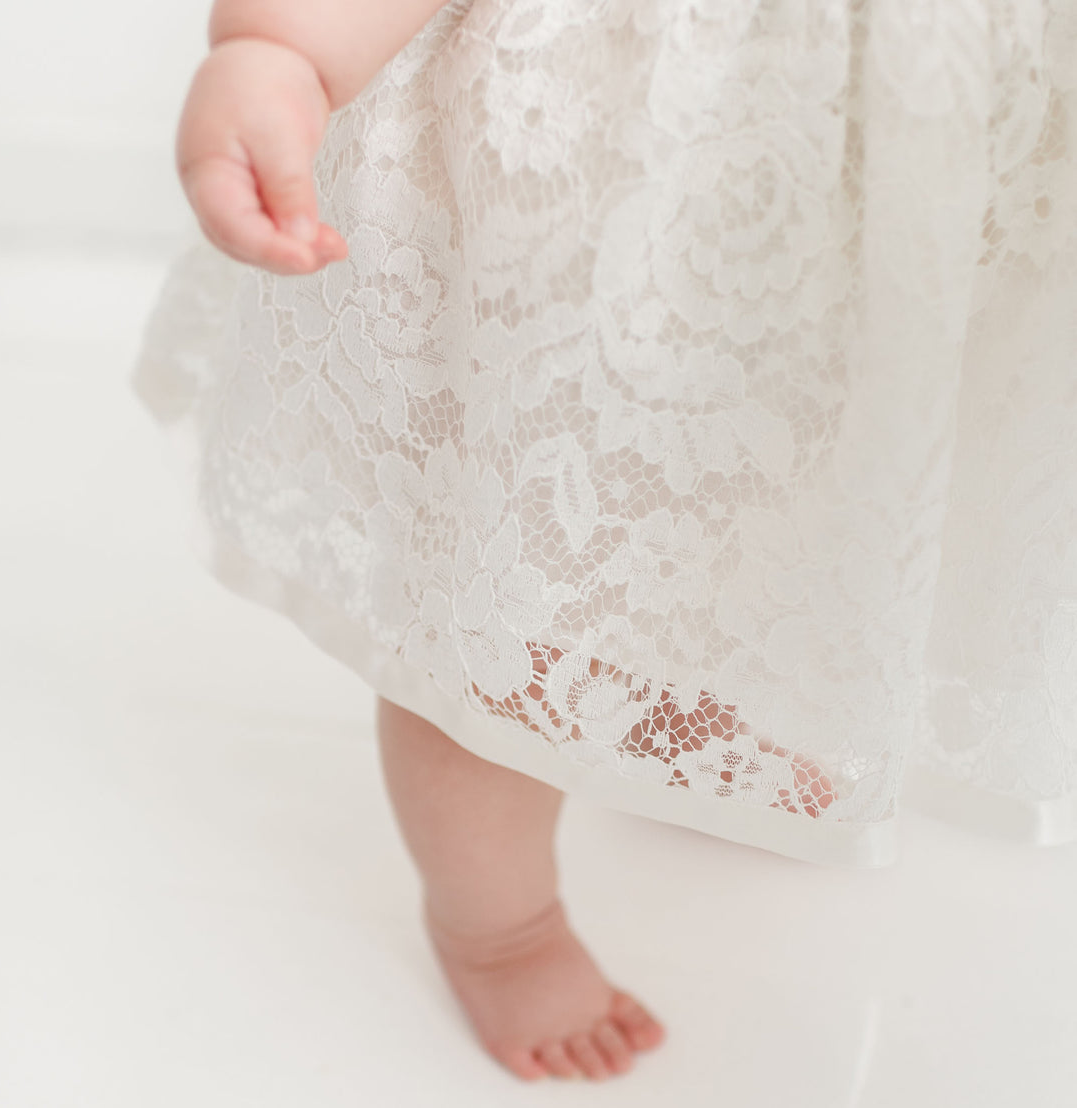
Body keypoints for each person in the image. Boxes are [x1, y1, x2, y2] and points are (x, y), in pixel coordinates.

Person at [132, 0, 1077, 1084]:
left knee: (785, 521)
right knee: (511, 609)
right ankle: (499, 923)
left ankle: (707, 718)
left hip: (896, 202)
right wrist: (282, 46)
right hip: (601, 194)